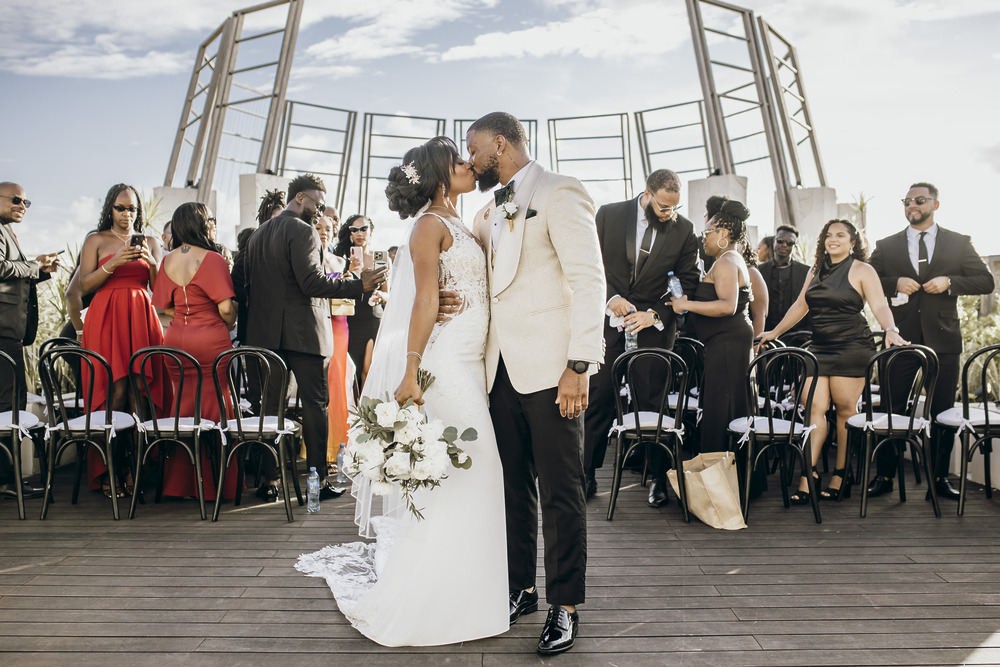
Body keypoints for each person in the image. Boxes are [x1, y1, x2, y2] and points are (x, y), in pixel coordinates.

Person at [297, 136, 509, 647]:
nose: (468, 164)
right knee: (474, 473)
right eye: (458, 160)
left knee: (472, 478)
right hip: (445, 366)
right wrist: (412, 369)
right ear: (439, 175)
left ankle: (468, 595)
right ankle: (435, 601)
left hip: (471, 362)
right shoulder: (428, 227)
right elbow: (422, 302)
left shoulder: (461, 221)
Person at [466, 112, 605, 655]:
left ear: (499, 143)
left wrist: (579, 364)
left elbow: (588, 280)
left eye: (474, 148)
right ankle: (520, 587)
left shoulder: (561, 190)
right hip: (499, 371)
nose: (470, 158)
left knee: (562, 491)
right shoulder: (487, 209)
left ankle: (565, 605)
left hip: (553, 372)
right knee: (511, 488)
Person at [238, 173, 385, 500]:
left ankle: (269, 480)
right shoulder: (303, 231)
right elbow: (312, 284)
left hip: (265, 339)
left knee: (270, 411)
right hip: (304, 334)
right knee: (316, 407)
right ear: (301, 197)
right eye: (317, 204)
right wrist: (359, 285)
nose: (319, 212)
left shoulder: (257, 236)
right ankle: (317, 483)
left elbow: (249, 289)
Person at [759, 219, 906, 503]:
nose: (833, 239)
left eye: (840, 235)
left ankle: (841, 473)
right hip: (820, 347)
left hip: (852, 347)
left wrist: (891, 329)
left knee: (844, 411)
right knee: (811, 405)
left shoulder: (863, 270)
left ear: (853, 242)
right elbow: (802, 304)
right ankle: (809, 473)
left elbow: (879, 305)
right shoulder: (815, 269)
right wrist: (775, 331)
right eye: (828, 235)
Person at [867, 182, 995, 501]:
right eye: (907, 201)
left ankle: (939, 478)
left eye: (919, 200)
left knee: (942, 412)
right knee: (892, 410)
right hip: (900, 338)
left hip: (944, 341)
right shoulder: (887, 245)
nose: (912, 205)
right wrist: (893, 282)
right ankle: (884, 475)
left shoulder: (958, 243)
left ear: (935, 205)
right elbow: (865, 279)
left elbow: (986, 281)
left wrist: (950, 282)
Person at [583, 168, 700, 507]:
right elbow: (590, 265)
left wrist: (655, 315)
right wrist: (611, 297)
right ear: (646, 195)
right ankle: (586, 473)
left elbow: (686, 281)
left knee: (652, 402)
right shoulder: (608, 214)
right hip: (609, 323)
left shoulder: (684, 230)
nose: (670, 214)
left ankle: (659, 478)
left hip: (653, 328)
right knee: (599, 395)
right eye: (664, 207)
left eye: (674, 208)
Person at [76, 183, 170, 497]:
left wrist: (152, 263)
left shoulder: (151, 241)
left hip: (141, 317)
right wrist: (114, 263)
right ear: (110, 209)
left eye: (132, 208)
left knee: (141, 390)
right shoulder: (96, 240)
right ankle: (110, 470)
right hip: (107, 319)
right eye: (120, 207)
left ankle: (138, 469)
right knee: (114, 391)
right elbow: (83, 286)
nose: (127, 214)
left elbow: (159, 291)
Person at [150, 202, 239, 501]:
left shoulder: (168, 260)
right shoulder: (213, 259)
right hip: (210, 342)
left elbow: (163, 307)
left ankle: (182, 485)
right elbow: (226, 309)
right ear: (201, 224)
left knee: (184, 408)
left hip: (176, 342)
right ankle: (216, 486)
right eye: (211, 219)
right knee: (215, 407)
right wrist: (234, 313)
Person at [669, 200, 754, 454]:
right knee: (728, 405)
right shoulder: (730, 259)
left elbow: (728, 306)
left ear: (724, 234)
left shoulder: (727, 262)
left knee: (721, 406)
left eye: (707, 233)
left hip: (727, 344)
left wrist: (687, 304)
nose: (703, 239)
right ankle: (732, 473)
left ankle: (719, 471)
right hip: (726, 342)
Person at [0, 181, 58, 500]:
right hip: (2, 335)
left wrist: (42, 270)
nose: (23, 205)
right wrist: (33, 265)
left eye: (27, 201)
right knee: (6, 407)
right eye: (17, 199)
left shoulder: (8, 231)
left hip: (12, 334)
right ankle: (7, 480)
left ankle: (8, 478)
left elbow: (14, 274)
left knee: (13, 403)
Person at [314, 212, 359, 473]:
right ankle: (323, 450)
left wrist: (349, 278)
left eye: (327, 228)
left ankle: (338, 447)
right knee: (324, 389)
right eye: (318, 226)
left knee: (339, 385)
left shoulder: (339, 261)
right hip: (318, 325)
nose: (323, 231)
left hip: (339, 325)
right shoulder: (307, 256)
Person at [334, 214, 386, 389]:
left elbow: (389, 295)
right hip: (349, 319)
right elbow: (335, 291)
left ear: (371, 231)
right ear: (349, 234)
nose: (359, 233)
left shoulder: (380, 258)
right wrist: (347, 274)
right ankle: (350, 412)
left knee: (368, 370)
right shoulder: (340, 259)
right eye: (354, 229)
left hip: (373, 317)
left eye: (364, 228)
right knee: (350, 371)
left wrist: (380, 296)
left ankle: (364, 415)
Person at [759, 225, 811, 334]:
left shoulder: (806, 272)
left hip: (798, 336)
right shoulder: (759, 271)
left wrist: (807, 333)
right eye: (780, 241)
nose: (784, 245)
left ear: (795, 246)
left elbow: (812, 303)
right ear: (774, 241)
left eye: (790, 243)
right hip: (766, 335)